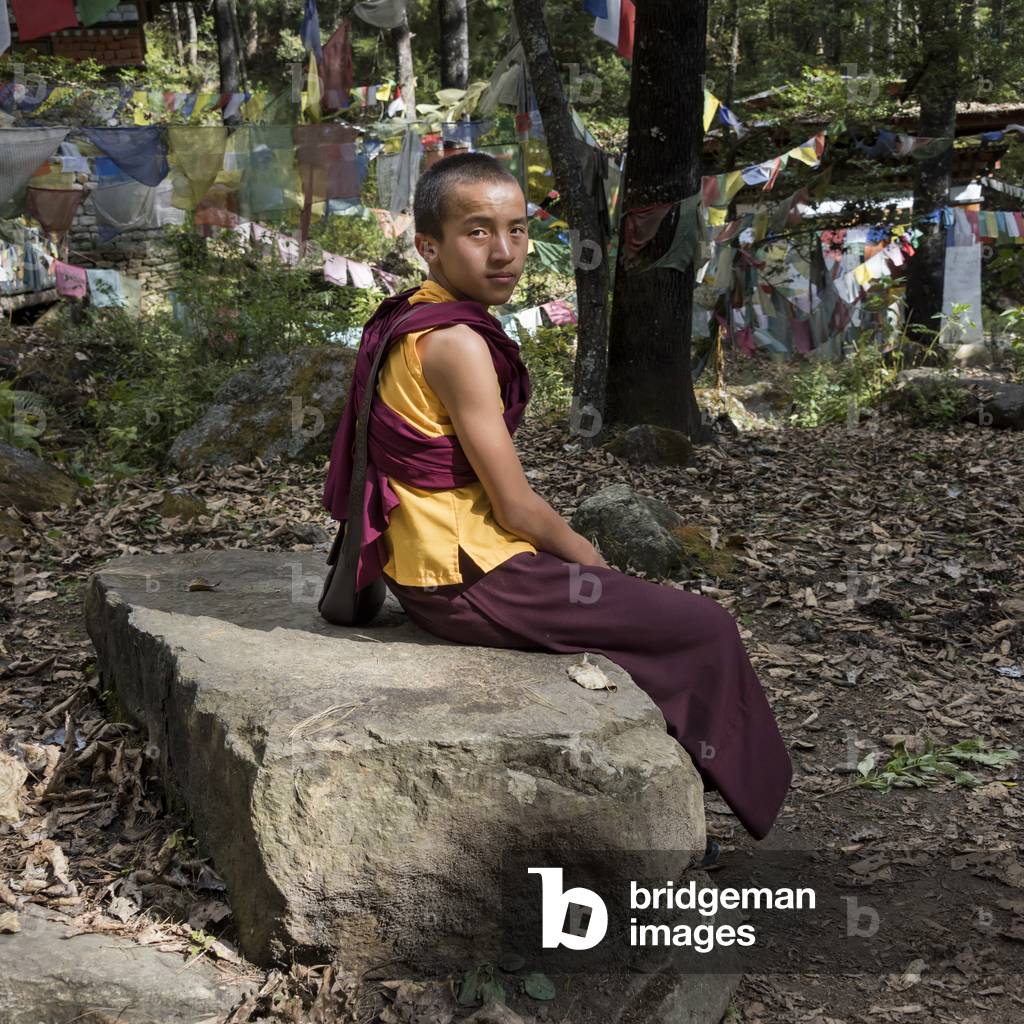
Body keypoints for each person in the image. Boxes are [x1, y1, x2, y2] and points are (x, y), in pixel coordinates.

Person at [322, 152, 792, 842]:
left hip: (434, 567)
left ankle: (668, 809)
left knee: (643, 630)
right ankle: (731, 809)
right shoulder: (454, 343)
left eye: (516, 229)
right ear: (428, 245)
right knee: (703, 626)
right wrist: (589, 561)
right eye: (477, 232)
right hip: (471, 578)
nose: (505, 252)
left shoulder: (407, 314)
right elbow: (515, 509)